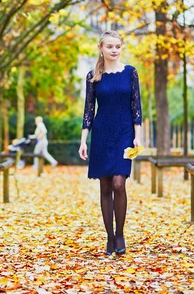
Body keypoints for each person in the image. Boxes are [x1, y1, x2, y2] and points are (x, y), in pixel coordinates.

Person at [78, 30, 142, 256]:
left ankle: (120, 233)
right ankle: (109, 237)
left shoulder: (130, 73)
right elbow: (88, 110)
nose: (114, 50)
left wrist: (138, 136)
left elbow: (136, 108)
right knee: (105, 187)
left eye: (118, 46)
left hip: (125, 133)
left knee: (118, 184)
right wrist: (83, 140)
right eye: (110, 46)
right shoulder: (93, 76)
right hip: (102, 134)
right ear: (101, 48)